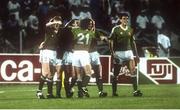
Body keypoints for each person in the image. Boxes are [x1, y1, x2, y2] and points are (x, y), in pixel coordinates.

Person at [109, 13, 143, 97]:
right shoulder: (115, 29)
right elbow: (111, 41)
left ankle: (135, 91)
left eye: (127, 18)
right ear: (120, 20)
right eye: (124, 18)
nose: (126, 20)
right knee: (116, 74)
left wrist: (137, 55)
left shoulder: (130, 29)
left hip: (129, 52)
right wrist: (113, 54)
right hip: (119, 53)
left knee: (133, 71)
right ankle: (114, 92)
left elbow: (133, 42)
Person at [36, 16, 63, 99]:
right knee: (46, 72)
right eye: (55, 22)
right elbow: (46, 25)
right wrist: (53, 21)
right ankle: (39, 91)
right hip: (46, 52)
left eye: (58, 22)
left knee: (51, 74)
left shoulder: (60, 32)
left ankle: (49, 94)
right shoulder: (49, 29)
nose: (57, 24)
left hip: (54, 53)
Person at [88, 19, 108, 97]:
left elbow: (102, 38)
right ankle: (82, 90)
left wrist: (104, 39)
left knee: (98, 74)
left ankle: (101, 91)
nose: (91, 25)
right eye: (89, 24)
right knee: (86, 74)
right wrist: (99, 39)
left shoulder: (95, 31)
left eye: (92, 24)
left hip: (95, 53)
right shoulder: (84, 32)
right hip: (86, 54)